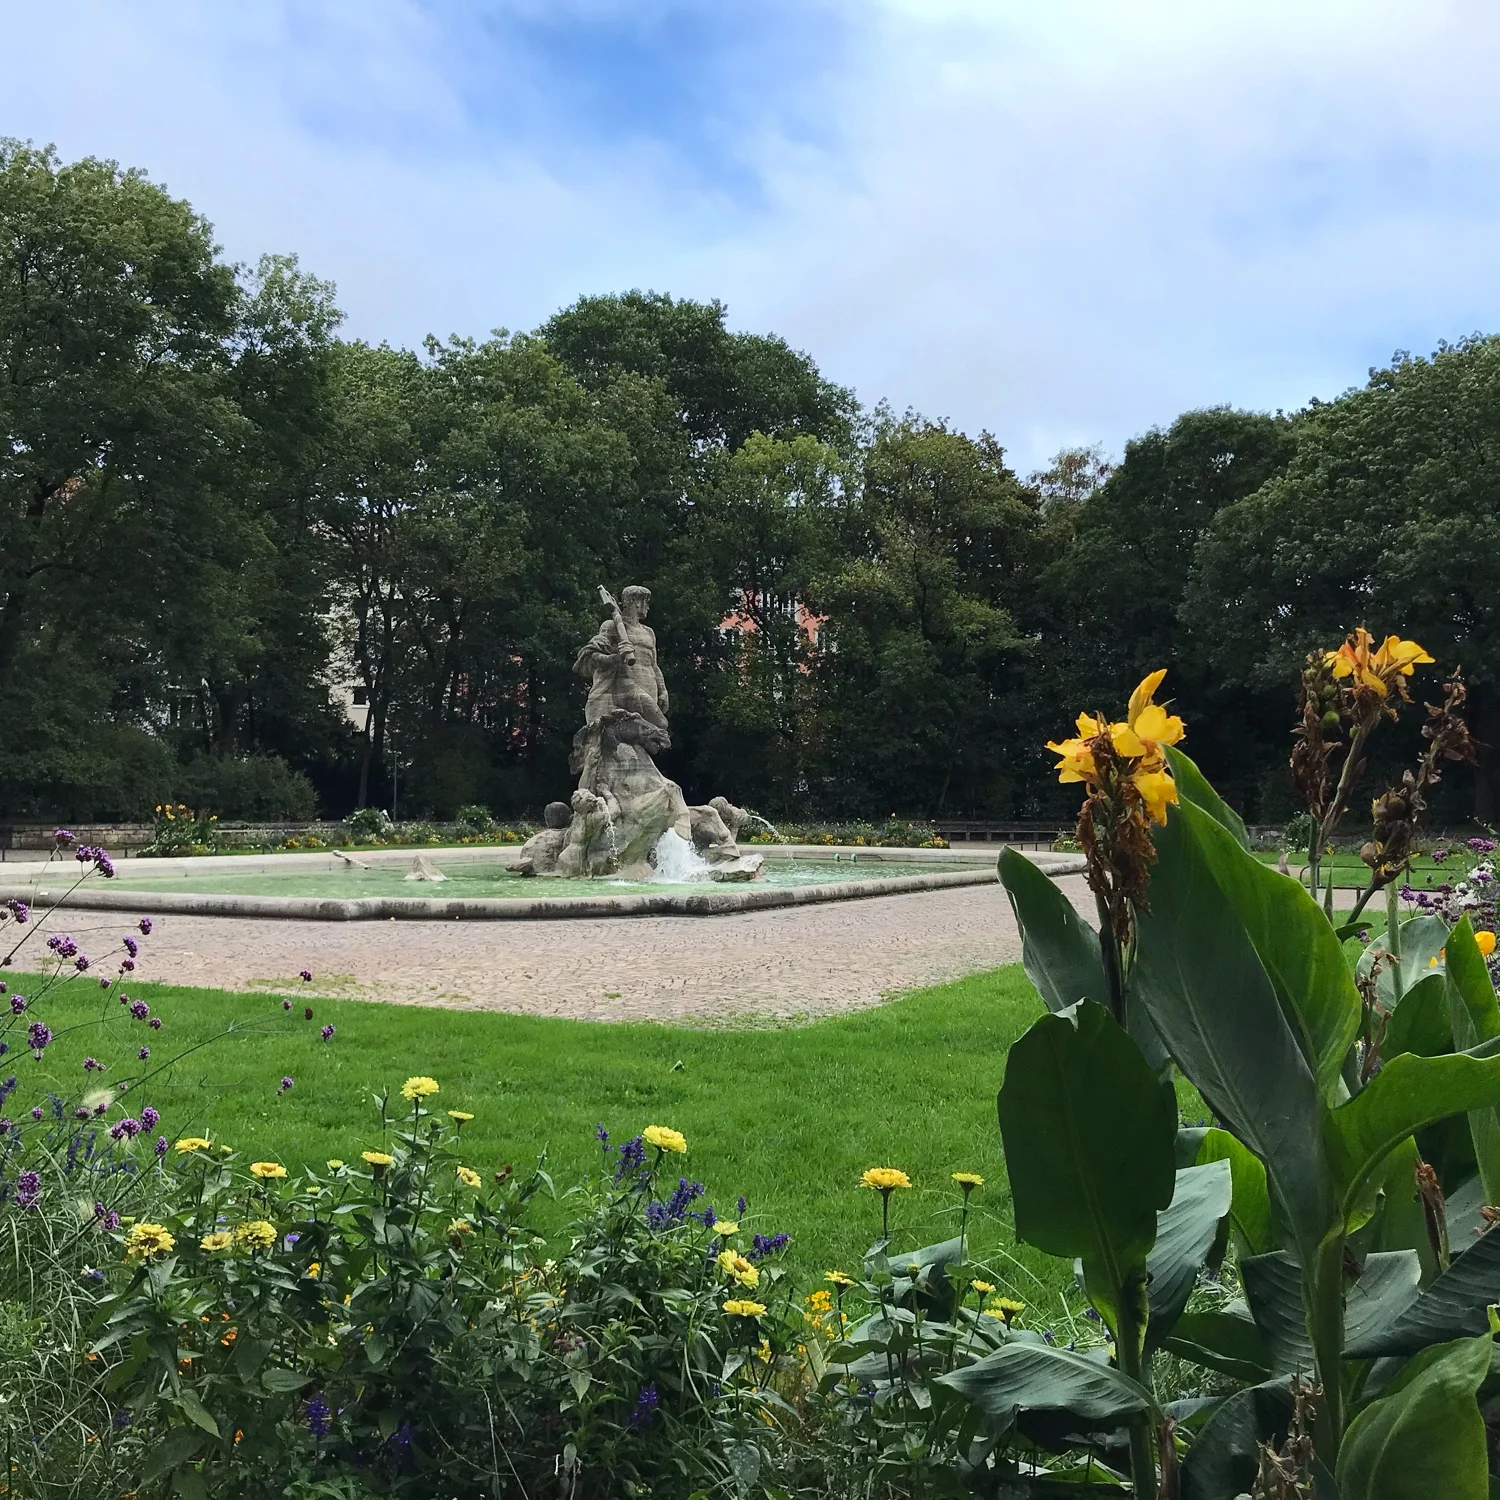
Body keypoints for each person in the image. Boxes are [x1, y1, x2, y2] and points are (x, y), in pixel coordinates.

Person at [573, 586, 670, 732]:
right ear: (636, 602)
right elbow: (592, 657)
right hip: (626, 685)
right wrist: (616, 658)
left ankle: (625, 729)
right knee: (661, 724)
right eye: (646, 602)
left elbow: (654, 665)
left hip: (650, 686)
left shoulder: (649, 632)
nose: (648, 607)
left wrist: (663, 690)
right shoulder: (611, 626)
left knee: (650, 732)